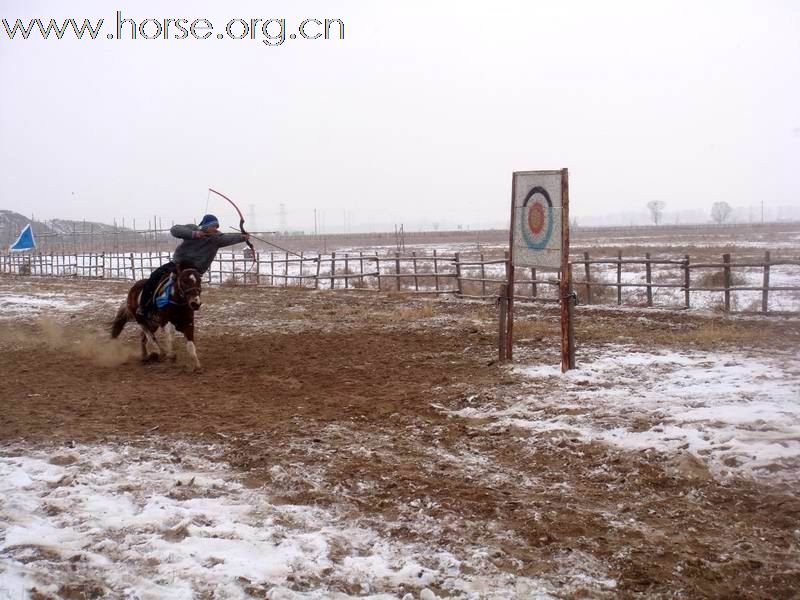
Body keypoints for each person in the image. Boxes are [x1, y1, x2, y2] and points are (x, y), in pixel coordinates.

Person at [135, 214, 250, 321]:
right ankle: (143, 307)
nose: (215, 228)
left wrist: (242, 237)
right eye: (213, 226)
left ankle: (186, 312)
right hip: (178, 264)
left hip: (195, 270)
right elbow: (175, 229)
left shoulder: (216, 238)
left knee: (193, 290)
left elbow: (229, 238)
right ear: (205, 226)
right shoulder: (192, 229)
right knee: (154, 276)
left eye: (216, 226)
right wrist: (194, 234)